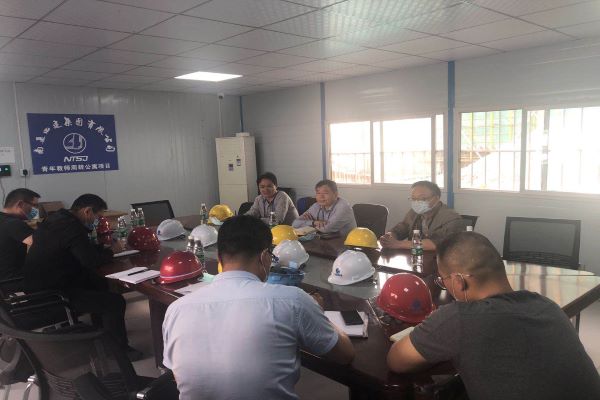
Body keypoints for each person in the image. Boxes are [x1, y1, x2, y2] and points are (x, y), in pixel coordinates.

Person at [387, 232, 600, 400]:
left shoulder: (459, 318)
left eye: (443, 280)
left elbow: (396, 360)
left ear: (459, 281)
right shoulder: (546, 305)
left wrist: (432, 331)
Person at [163, 215, 355, 400]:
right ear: (265, 257)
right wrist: (317, 310)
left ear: (220, 258)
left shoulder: (176, 310)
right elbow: (345, 354)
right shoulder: (294, 300)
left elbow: (178, 376)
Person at [23, 194, 141, 360]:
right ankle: (118, 353)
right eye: (97, 216)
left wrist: (101, 249)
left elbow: (78, 250)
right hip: (53, 295)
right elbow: (90, 260)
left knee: (99, 283)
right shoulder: (72, 228)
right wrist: (111, 251)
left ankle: (101, 336)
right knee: (115, 302)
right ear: (87, 211)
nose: (97, 221)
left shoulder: (56, 219)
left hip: (38, 286)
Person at [380, 181, 464, 250]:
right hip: (416, 257)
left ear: (436, 198)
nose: (417, 202)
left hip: (441, 259)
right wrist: (390, 236)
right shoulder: (414, 212)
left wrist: (398, 244)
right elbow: (402, 228)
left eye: (423, 198)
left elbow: (436, 243)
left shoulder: (451, 217)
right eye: (413, 199)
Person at [0, 188, 40, 284]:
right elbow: (41, 245)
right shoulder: (14, 224)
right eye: (34, 205)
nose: (36, 210)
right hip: (13, 280)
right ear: (21, 204)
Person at [292, 179, 356, 236]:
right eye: (318, 193)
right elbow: (295, 224)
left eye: (325, 193)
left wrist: (307, 224)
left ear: (335, 194)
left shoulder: (343, 207)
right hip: (324, 241)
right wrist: (313, 222)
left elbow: (327, 229)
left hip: (346, 243)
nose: (321, 197)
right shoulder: (317, 206)